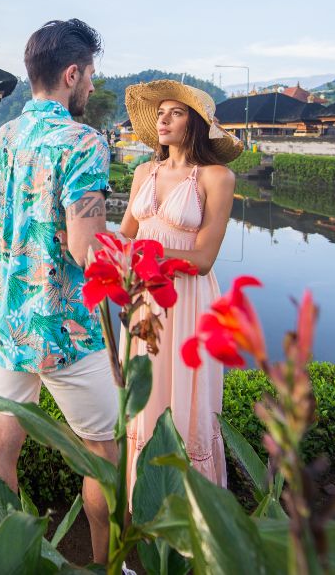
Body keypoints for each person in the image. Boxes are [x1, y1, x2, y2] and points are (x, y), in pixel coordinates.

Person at [0, 19, 118, 565]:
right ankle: (106, 565)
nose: (94, 88)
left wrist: (24, 227)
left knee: (3, 440)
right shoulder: (83, 142)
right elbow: (86, 251)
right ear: (71, 74)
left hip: (8, 325)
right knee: (104, 454)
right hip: (64, 331)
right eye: (92, 76)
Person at [119, 80, 242, 487]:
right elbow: (125, 237)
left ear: (197, 124)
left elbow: (204, 260)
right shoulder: (143, 172)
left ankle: (190, 507)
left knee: (185, 398)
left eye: (176, 112)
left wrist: (151, 255)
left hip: (188, 299)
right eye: (160, 113)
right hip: (145, 298)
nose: (164, 120)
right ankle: (140, 505)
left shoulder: (216, 177)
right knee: (143, 396)